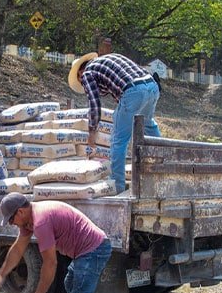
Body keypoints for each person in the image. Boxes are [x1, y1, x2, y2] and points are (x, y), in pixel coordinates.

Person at [68, 52, 162, 194]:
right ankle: (163, 168)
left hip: (133, 91)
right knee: (149, 126)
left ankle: (117, 186)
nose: (83, 84)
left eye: (81, 82)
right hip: (152, 87)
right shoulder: (109, 59)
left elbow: (94, 104)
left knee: (118, 140)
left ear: (80, 72)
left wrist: (92, 131)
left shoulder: (87, 73)